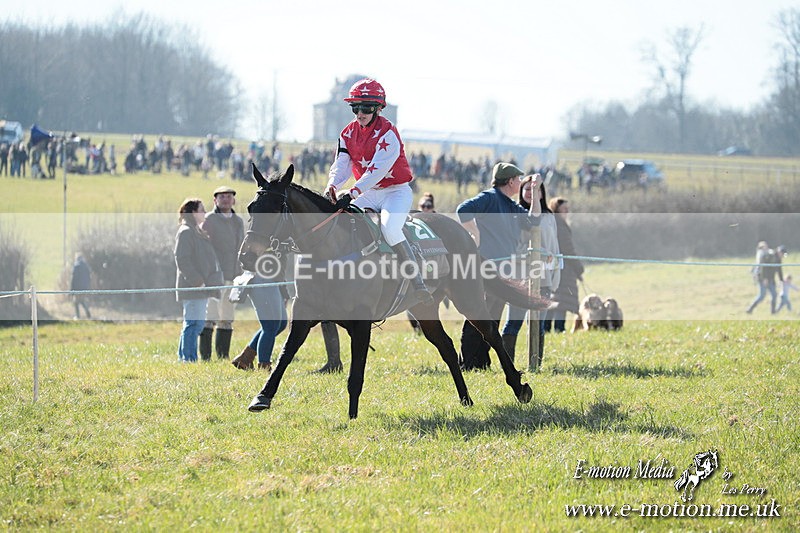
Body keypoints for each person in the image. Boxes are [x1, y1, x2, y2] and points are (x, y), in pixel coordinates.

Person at [325, 77, 433, 305]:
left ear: (377, 108)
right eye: (355, 107)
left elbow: (377, 170)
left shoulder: (388, 133)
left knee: (390, 229)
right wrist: (332, 186)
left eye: (365, 108)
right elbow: (341, 164)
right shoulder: (347, 133)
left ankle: (418, 282)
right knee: (339, 220)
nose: (360, 113)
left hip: (395, 192)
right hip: (369, 192)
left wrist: (352, 192)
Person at [456, 162, 541, 371]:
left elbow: (533, 221)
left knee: (492, 316)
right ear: (510, 181)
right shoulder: (490, 197)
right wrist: (474, 235)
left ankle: (481, 363)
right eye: (519, 179)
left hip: (504, 271)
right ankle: (467, 363)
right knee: (478, 313)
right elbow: (463, 210)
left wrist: (536, 192)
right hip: (486, 268)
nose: (521, 183)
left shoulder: (510, 205)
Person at [500, 174, 560, 366]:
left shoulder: (549, 217)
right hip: (519, 275)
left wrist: (555, 274)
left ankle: (536, 364)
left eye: (534, 190)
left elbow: (554, 247)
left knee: (538, 323)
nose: (529, 193)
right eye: (526, 189)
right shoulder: (515, 215)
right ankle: (507, 364)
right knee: (514, 322)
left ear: (541, 193)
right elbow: (512, 246)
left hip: (544, 276)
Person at [174, 198, 222, 362]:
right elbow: (182, 259)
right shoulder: (186, 231)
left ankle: (185, 358)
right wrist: (198, 281)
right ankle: (188, 359)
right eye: (201, 210)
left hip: (202, 287)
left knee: (195, 324)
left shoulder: (197, 231)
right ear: (193, 213)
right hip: (193, 287)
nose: (204, 213)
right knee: (193, 325)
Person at [200, 185, 245, 360]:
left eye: (229, 196)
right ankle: (205, 357)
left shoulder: (238, 221)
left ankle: (223, 355)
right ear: (215, 200)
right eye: (222, 197)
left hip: (233, 276)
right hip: (214, 276)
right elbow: (204, 248)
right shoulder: (209, 220)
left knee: (227, 317)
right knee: (210, 316)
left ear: (233, 200)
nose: (226, 199)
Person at [231, 272, 288, 371]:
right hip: (262, 277)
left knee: (281, 324)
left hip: (275, 278)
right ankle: (264, 366)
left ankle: (245, 358)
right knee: (270, 325)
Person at [546, 197, 584, 332]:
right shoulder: (560, 226)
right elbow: (568, 249)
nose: (567, 212)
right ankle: (559, 329)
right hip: (563, 269)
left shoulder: (551, 224)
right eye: (564, 209)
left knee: (551, 300)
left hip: (552, 267)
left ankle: (546, 329)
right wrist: (579, 269)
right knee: (561, 302)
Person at [746, 241, 783, 314]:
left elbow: (779, 269)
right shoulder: (769, 255)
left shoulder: (777, 258)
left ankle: (773, 312)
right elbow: (763, 267)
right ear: (779, 252)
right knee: (762, 295)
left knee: (774, 295)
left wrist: (781, 279)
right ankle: (750, 309)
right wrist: (764, 278)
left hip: (771, 279)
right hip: (762, 278)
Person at [70, 253, 92, 319]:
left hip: (77, 288)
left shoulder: (76, 266)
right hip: (84, 287)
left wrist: (72, 289)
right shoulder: (86, 266)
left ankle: (78, 316)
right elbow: (89, 277)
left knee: (76, 302)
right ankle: (87, 313)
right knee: (82, 300)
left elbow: (74, 279)